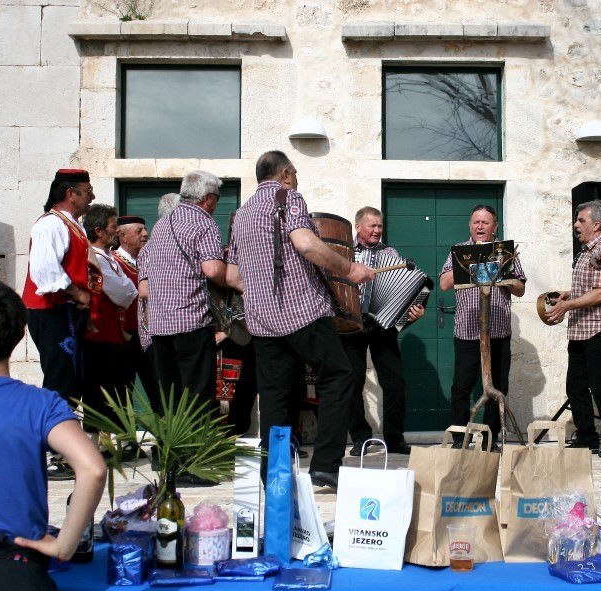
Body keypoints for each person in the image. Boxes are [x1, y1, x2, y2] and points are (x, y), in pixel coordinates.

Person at [0, 279, 106, 591]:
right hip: (18, 571)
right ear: (20, 337)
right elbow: (92, 468)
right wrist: (65, 545)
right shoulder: (41, 405)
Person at [226, 150, 374, 490]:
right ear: (286, 173)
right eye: (295, 174)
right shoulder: (287, 196)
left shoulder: (243, 213)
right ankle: (325, 466)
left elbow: (233, 275)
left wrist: (263, 292)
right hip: (301, 311)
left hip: (262, 319)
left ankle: (273, 473)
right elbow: (306, 244)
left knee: (275, 395)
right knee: (339, 375)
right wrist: (350, 269)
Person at [21, 168, 97, 480]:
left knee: (70, 380)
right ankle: (49, 454)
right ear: (71, 193)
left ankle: (61, 450)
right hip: (52, 310)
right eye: (87, 190)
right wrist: (77, 291)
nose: (91, 196)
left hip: (66, 311)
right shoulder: (51, 225)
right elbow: (45, 271)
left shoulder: (72, 225)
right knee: (59, 380)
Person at [543, 201, 601, 458]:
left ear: (596, 225)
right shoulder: (586, 251)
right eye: (577, 220)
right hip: (581, 330)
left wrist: (567, 305)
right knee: (575, 387)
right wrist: (566, 295)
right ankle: (587, 437)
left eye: (581, 221)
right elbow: (589, 288)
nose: (576, 225)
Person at [138, 171, 226, 414]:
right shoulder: (204, 222)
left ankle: (171, 450)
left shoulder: (161, 225)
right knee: (198, 397)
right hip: (191, 322)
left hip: (159, 326)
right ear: (208, 198)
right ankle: (197, 451)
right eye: (217, 198)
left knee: (170, 399)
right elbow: (212, 269)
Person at [439, 204, 526, 449]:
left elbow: (521, 289)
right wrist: (472, 265)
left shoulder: (505, 252)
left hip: (498, 332)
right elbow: (444, 283)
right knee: (461, 386)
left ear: (494, 226)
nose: (480, 226)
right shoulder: (459, 251)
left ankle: (490, 439)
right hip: (467, 331)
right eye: (476, 222)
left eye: (485, 222)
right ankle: (459, 438)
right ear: (470, 225)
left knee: (498, 386)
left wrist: (503, 274)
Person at [344, 206, 425, 457]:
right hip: (353, 325)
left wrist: (414, 311)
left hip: (382, 326)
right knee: (352, 381)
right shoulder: (345, 252)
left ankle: (394, 438)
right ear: (358, 227)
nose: (378, 230)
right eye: (372, 226)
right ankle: (360, 438)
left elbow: (403, 291)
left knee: (395, 383)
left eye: (380, 226)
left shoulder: (390, 253)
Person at [81, 204, 138, 435]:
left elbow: (127, 289)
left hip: (114, 335)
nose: (117, 231)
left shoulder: (110, 259)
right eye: (113, 227)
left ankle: (114, 440)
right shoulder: (96, 258)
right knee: (98, 393)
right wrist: (127, 290)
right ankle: (96, 443)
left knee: (116, 391)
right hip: (98, 334)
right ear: (99, 231)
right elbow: (124, 293)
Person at [113, 214, 160, 412]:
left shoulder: (149, 259)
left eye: (145, 229)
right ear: (123, 236)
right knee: (123, 389)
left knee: (157, 389)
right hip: (124, 338)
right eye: (139, 231)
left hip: (147, 337)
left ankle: (164, 436)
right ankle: (126, 439)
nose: (145, 234)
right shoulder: (113, 262)